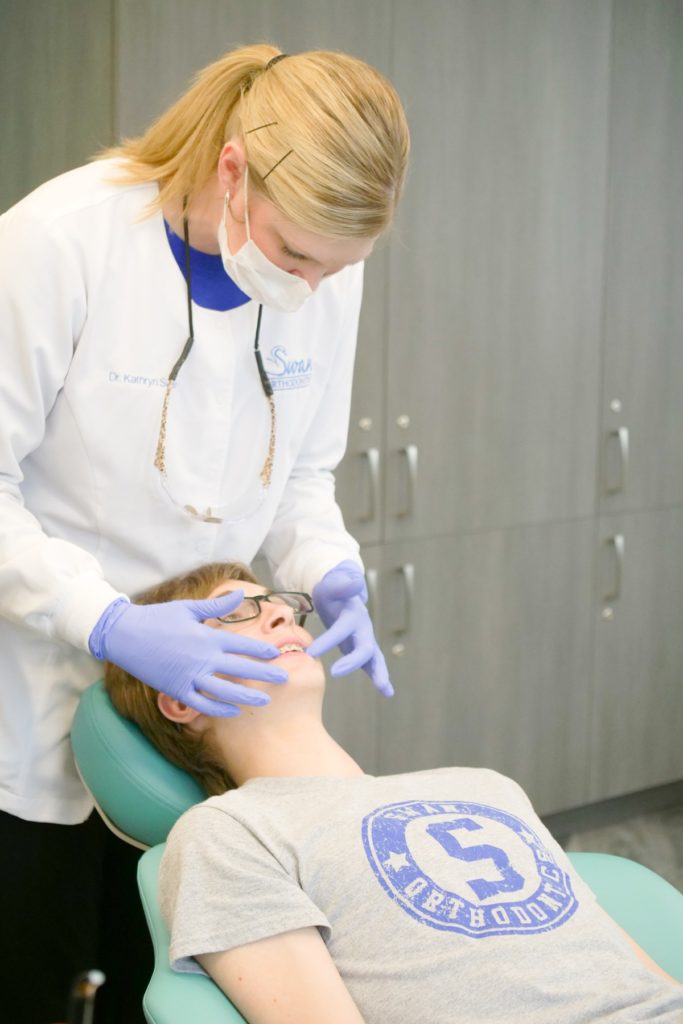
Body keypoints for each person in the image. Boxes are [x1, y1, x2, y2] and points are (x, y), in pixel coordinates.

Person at [0, 44, 409, 1023]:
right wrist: (105, 622)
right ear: (232, 170)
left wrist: (331, 569)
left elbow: (301, 476)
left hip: (199, 715)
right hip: (34, 676)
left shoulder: (323, 272)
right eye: (297, 255)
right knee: (37, 971)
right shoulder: (60, 242)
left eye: (337, 268)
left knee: (162, 966)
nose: (310, 287)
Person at [106, 562, 683, 1024]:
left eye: (277, 602)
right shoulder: (229, 833)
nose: (282, 612)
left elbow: (637, 974)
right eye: (236, 613)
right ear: (181, 697)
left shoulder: (484, 786)